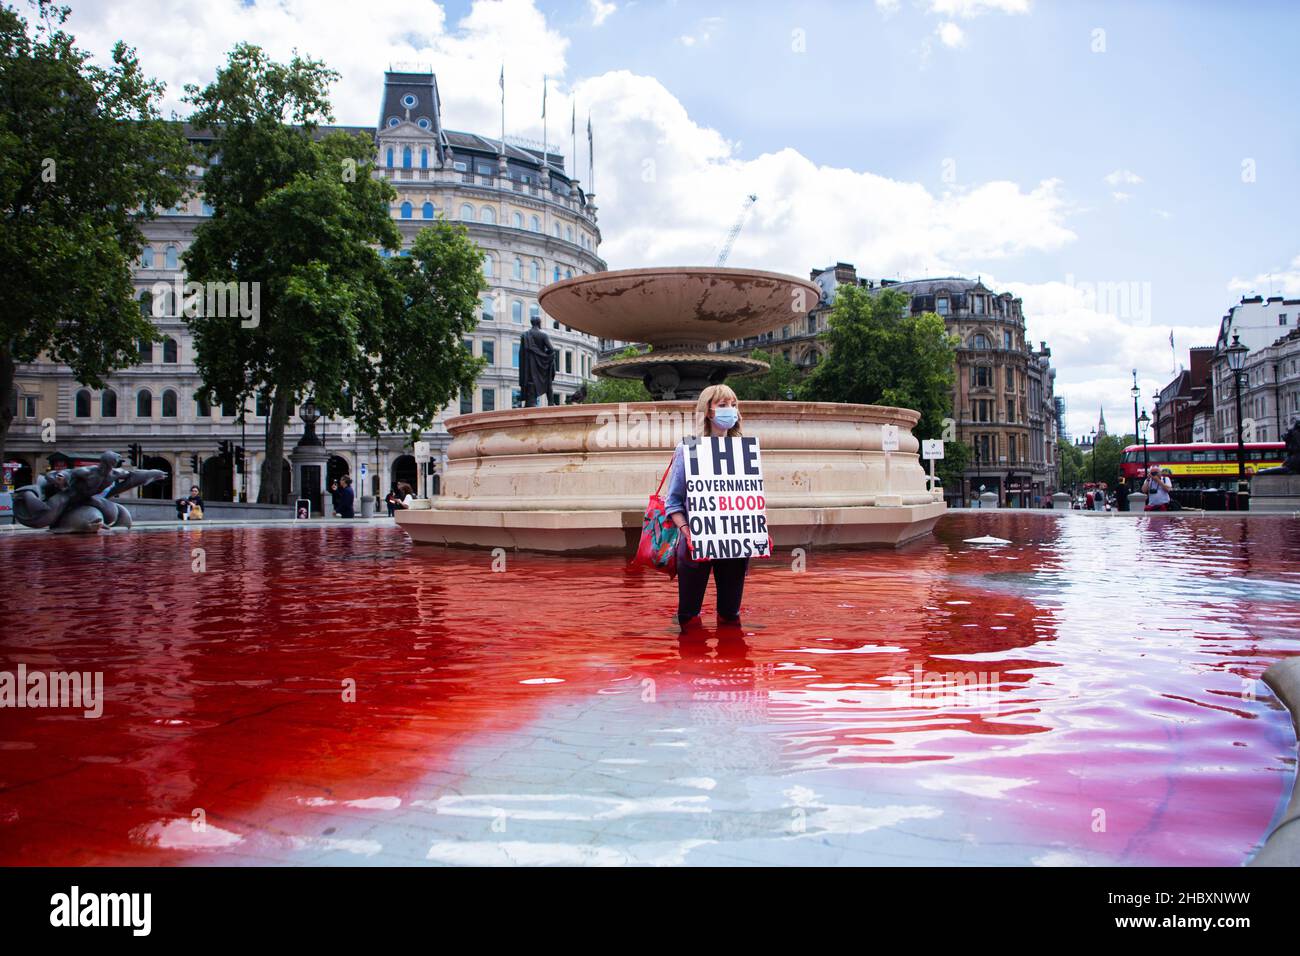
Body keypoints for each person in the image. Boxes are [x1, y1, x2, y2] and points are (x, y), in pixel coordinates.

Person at [664, 384, 751, 633]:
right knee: (689, 617)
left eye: (733, 405)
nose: (730, 410)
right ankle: (690, 666)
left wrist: (759, 529)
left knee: (731, 616)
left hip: (735, 543)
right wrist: (687, 532)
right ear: (708, 412)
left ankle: (731, 667)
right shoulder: (687, 450)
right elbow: (673, 502)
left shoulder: (744, 451)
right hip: (695, 544)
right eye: (723, 405)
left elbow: (750, 499)